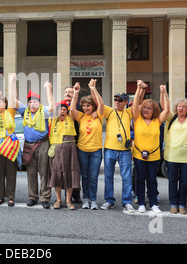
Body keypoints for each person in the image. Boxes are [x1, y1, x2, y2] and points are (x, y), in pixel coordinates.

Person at [15, 77, 54, 209]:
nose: (32, 104)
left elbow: (53, 106)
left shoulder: (44, 111)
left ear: (39, 103)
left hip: (42, 144)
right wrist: (12, 83)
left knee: (44, 172)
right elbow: (14, 102)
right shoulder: (24, 110)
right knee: (31, 172)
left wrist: (48, 89)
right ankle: (33, 197)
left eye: (35, 102)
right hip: (28, 145)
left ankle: (45, 198)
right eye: (30, 101)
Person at [132, 81, 170, 214]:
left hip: (154, 155)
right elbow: (135, 104)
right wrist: (138, 89)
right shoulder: (137, 119)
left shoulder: (157, 121)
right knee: (140, 179)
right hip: (138, 155)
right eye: (145, 108)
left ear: (154, 111)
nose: (146, 110)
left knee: (152, 180)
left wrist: (164, 93)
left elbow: (167, 110)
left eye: (149, 108)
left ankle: (153, 203)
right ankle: (141, 203)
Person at [70, 79, 105, 210]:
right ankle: (85, 199)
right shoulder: (80, 116)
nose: (86, 108)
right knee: (84, 177)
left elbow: (101, 103)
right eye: (84, 106)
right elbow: (72, 108)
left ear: (93, 106)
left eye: (88, 106)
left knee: (93, 177)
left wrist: (93, 88)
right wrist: (75, 92)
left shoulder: (99, 115)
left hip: (95, 151)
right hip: (82, 150)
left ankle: (94, 200)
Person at [101, 91, 135, 212]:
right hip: (110, 148)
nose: (117, 102)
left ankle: (127, 202)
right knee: (108, 176)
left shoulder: (128, 112)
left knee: (126, 177)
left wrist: (140, 89)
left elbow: (137, 103)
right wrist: (93, 88)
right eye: (115, 100)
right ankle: (109, 200)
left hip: (125, 150)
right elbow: (99, 102)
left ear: (126, 102)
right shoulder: (109, 111)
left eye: (120, 100)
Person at [48, 100, 80, 210]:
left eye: (64, 109)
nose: (62, 111)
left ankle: (68, 200)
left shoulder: (70, 119)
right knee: (57, 174)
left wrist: (75, 93)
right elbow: (51, 105)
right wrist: (48, 88)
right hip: (56, 150)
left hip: (70, 150)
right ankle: (58, 200)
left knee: (70, 174)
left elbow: (73, 107)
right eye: (60, 109)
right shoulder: (52, 120)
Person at [0, 78, 18, 206]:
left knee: (11, 172)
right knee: (0, 172)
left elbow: (13, 99)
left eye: (1, 102)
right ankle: (0, 196)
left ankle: (11, 197)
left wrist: (12, 83)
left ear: (6, 104)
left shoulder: (11, 112)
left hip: (10, 146)